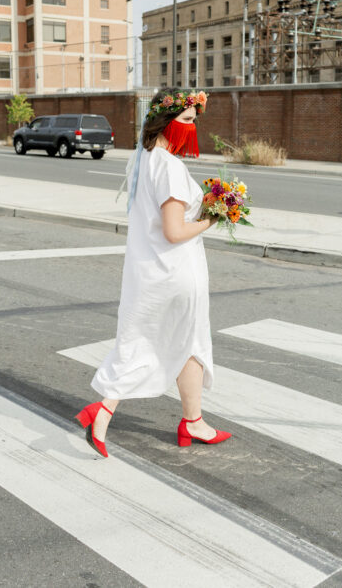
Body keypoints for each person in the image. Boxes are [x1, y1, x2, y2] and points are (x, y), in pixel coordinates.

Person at [75, 88, 231, 457]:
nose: (193, 130)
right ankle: (105, 409)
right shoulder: (171, 166)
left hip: (150, 271)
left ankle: (191, 421)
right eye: (188, 122)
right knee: (176, 342)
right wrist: (213, 217)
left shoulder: (144, 159)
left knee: (169, 343)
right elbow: (174, 231)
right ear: (167, 120)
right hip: (176, 270)